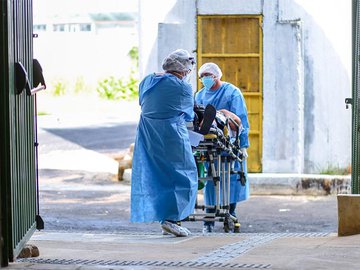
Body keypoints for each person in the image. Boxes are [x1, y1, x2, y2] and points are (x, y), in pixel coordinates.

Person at [131, 49, 198, 237]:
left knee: (157, 175)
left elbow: (144, 103)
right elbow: (189, 114)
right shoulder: (182, 87)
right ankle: (172, 219)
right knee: (182, 175)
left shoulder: (147, 81)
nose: (187, 73)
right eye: (187, 69)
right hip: (171, 135)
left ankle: (165, 217)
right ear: (183, 68)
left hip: (147, 133)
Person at [195, 62, 250, 233]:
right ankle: (209, 221)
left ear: (217, 76)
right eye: (202, 76)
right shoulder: (199, 95)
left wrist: (243, 145)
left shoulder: (232, 92)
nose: (204, 79)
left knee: (230, 180)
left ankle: (230, 213)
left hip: (229, 140)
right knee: (211, 182)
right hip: (208, 141)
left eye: (207, 76)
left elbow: (241, 121)